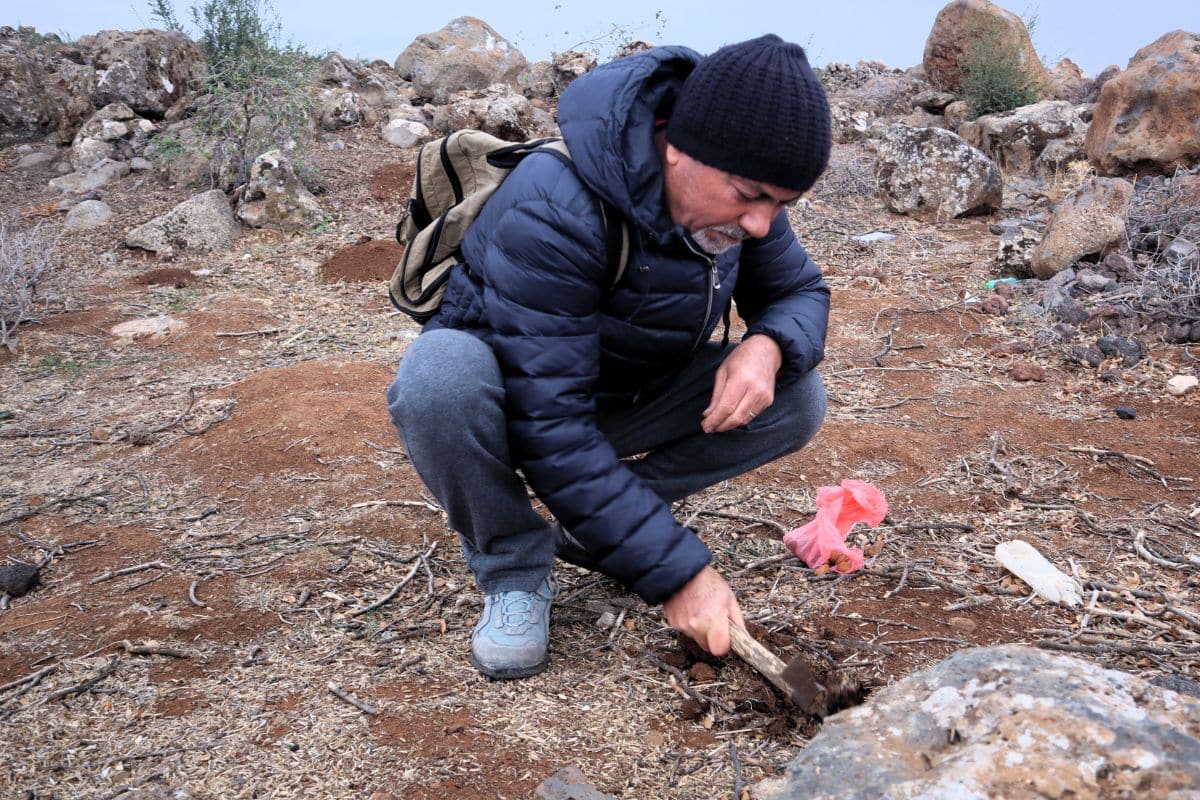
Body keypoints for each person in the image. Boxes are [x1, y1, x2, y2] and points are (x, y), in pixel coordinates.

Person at [387, 34, 832, 680]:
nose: (761, 223)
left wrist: (766, 345)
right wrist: (679, 574)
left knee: (797, 394)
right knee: (437, 380)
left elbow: (799, 291)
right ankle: (515, 569)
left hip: (626, 393)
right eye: (749, 195)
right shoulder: (556, 202)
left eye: (780, 204)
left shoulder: (740, 202)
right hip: (523, 405)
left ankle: (598, 533)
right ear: (679, 148)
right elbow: (553, 428)